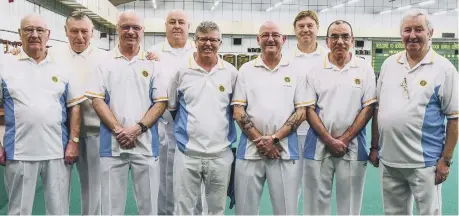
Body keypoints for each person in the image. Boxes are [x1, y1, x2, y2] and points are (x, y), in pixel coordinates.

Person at [372, 9, 458, 215]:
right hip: (389, 161)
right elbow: (378, 110)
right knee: (393, 213)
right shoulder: (388, 64)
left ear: (430, 33)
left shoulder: (444, 69)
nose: (412, 35)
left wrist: (445, 160)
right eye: (407, 30)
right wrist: (375, 147)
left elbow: (454, 118)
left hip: (425, 163)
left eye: (419, 29)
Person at [0, 14, 85, 215]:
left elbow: (75, 107)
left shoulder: (64, 68)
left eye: (39, 30)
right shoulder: (5, 67)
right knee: (18, 210)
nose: (34, 35)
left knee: (58, 210)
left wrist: (73, 141)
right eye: (28, 30)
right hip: (18, 153)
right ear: (20, 34)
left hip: (57, 152)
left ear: (49, 35)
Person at [85, 10, 167, 215]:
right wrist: (120, 131)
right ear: (117, 29)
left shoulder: (154, 63)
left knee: (149, 208)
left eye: (136, 27)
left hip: (147, 146)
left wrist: (137, 130)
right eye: (125, 27)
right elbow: (97, 100)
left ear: (143, 31)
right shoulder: (102, 62)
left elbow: (160, 103)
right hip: (112, 147)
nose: (131, 31)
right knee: (110, 209)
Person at [232, 21, 309, 215]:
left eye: (275, 34)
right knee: (244, 211)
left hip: (284, 152)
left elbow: (301, 112)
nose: (270, 39)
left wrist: (274, 139)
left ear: (283, 39)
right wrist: (262, 141)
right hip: (250, 152)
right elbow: (238, 111)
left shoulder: (296, 71)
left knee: (286, 211)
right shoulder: (246, 70)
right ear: (258, 39)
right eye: (265, 35)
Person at [303, 20, 376, 215]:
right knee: (315, 207)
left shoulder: (364, 68)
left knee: (350, 207)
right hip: (318, 146)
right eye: (334, 36)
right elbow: (309, 109)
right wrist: (329, 139)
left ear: (352, 40)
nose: (340, 41)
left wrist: (343, 139)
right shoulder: (314, 69)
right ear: (327, 41)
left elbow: (368, 108)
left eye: (345, 36)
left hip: (352, 148)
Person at [169, 20, 237, 215]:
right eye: (203, 39)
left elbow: (235, 110)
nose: (208, 44)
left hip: (221, 155)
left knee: (216, 210)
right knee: (183, 208)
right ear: (195, 40)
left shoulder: (231, 73)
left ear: (220, 43)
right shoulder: (181, 71)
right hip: (187, 154)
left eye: (213, 40)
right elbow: (173, 107)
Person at [148, 9, 200, 215]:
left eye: (181, 22)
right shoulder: (153, 52)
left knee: (193, 179)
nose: (177, 26)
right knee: (162, 179)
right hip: (162, 126)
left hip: (193, 129)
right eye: (172, 22)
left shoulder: (198, 52)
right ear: (165, 27)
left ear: (189, 28)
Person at [289, 9, 327, 200]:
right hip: (292, 133)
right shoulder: (286, 58)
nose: (305, 30)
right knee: (291, 188)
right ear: (295, 30)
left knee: (315, 188)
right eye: (301, 26)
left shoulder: (327, 57)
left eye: (310, 26)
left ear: (317, 29)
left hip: (318, 133)